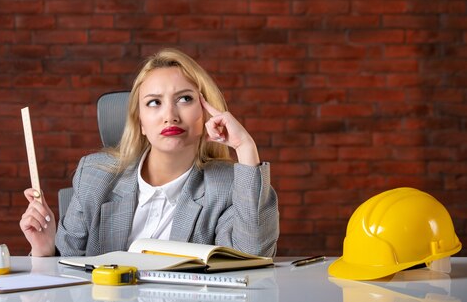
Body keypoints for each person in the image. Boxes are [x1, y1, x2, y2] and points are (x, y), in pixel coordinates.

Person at [19, 48, 279, 257]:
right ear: (140, 122)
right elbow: (65, 272)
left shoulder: (227, 185)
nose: (170, 116)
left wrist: (246, 148)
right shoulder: (94, 176)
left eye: (185, 99)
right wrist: (43, 249)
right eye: (154, 102)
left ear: (205, 112)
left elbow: (252, 257)